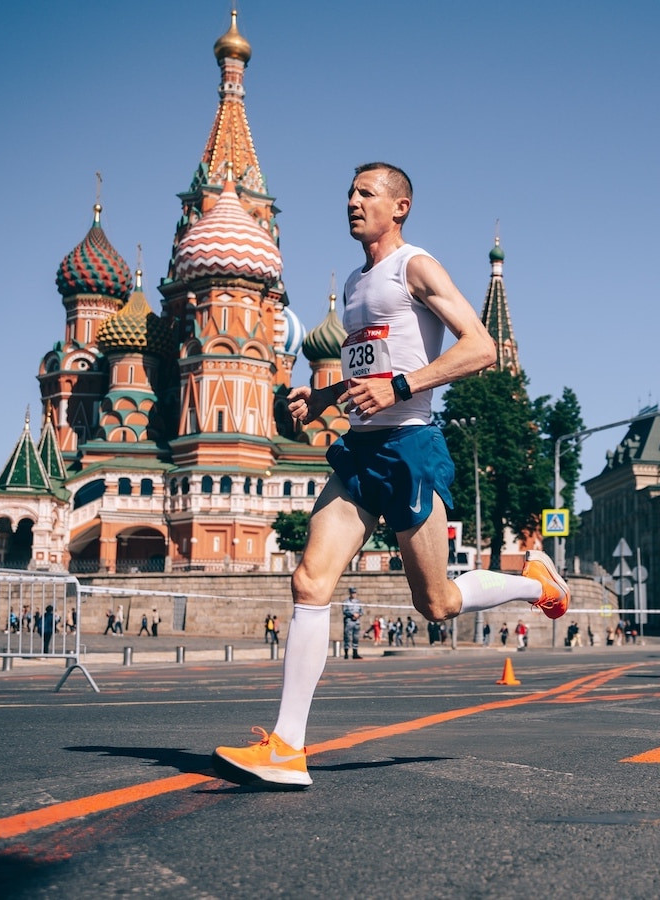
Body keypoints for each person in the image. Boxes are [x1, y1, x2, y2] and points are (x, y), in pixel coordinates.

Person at [214, 163, 569, 786]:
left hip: (409, 447)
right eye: (349, 193)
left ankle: (534, 579)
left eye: (366, 194)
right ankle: (286, 747)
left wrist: (402, 386)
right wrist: (326, 400)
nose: (352, 202)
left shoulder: (417, 267)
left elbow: (480, 347)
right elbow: (368, 368)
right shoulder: (355, 283)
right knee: (309, 581)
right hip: (360, 450)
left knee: (437, 603)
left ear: (399, 206)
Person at [341, 588, 363, 659]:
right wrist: (352, 615)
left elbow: (362, 611)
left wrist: (358, 615)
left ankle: (355, 653)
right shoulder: (346, 602)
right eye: (352, 593)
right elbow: (344, 611)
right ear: (350, 593)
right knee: (347, 637)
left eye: (355, 593)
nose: (354, 594)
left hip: (356, 622)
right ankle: (346, 653)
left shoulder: (358, 602)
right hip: (349, 621)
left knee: (356, 638)